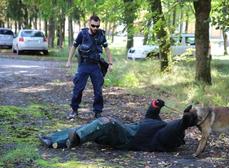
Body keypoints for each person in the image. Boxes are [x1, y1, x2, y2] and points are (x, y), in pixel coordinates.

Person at [39, 99, 198, 152]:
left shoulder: (171, 137)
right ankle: (53, 140)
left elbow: (176, 127)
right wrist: (156, 105)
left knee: (106, 123)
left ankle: (74, 139)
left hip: (129, 138)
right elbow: (151, 116)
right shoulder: (161, 125)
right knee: (95, 126)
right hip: (128, 130)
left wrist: (185, 121)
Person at [66, 15, 113, 119]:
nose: (95, 28)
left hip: (95, 66)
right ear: (89, 24)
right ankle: (74, 110)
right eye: (93, 25)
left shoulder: (101, 34)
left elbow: (107, 49)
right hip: (84, 65)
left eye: (97, 26)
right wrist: (69, 61)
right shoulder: (82, 34)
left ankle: (98, 112)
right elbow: (74, 46)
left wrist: (110, 63)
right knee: (78, 88)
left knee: (98, 90)